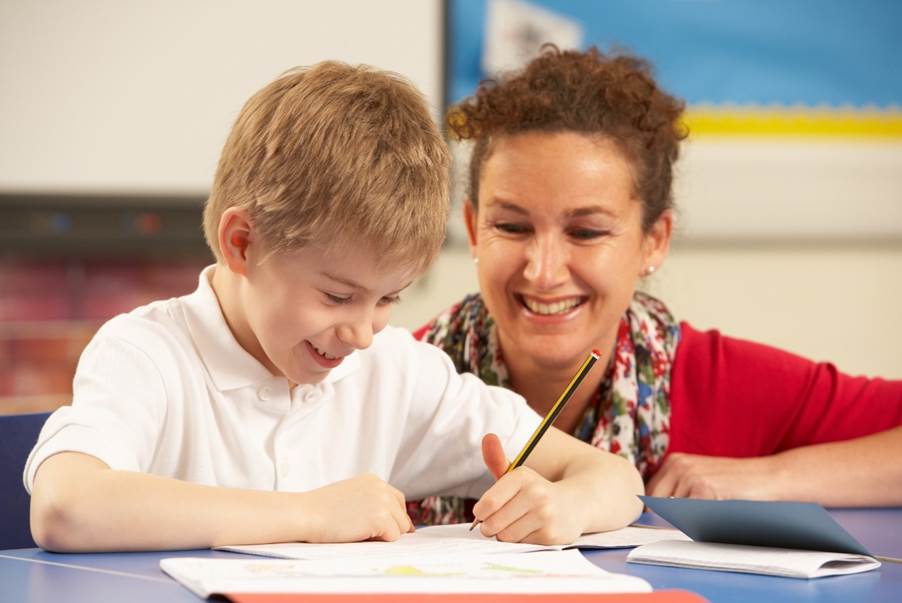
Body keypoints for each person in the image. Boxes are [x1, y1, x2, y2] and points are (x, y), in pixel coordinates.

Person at [24, 61, 644, 552]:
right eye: (338, 295)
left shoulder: (393, 375)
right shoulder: (149, 354)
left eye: (388, 299)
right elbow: (64, 506)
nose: (364, 332)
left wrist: (565, 507)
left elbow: (616, 481)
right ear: (243, 243)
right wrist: (309, 514)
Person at [409, 46, 902, 525]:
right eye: (512, 227)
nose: (543, 270)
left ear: (654, 241)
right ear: (474, 229)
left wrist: (769, 477)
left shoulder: (713, 381)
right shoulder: (396, 379)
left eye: (586, 232)